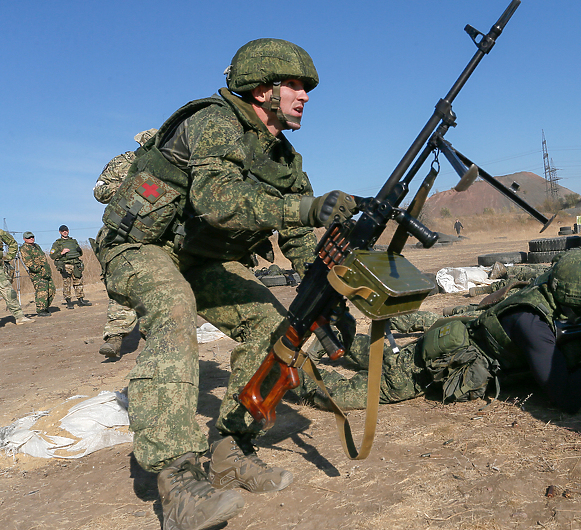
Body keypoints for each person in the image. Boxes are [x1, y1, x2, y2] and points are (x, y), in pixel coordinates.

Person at [94, 38, 358, 530]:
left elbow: (300, 240)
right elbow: (217, 200)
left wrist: (332, 294)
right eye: (296, 87)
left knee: (274, 327)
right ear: (262, 91)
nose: (305, 97)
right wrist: (304, 207)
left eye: (307, 89)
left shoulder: (284, 160)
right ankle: (176, 481)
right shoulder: (213, 120)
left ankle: (230, 450)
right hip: (141, 247)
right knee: (173, 308)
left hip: (199, 259)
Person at [295, 249, 581, 415]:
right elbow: (567, 398)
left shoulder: (553, 296)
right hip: (430, 364)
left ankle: (336, 345)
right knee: (347, 395)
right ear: (579, 296)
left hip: (458, 338)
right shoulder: (532, 322)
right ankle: (293, 372)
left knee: (380, 356)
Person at [93, 129, 157, 358]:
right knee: (124, 280)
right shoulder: (121, 163)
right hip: (122, 227)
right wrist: (127, 187)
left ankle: (156, 333)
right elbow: (99, 192)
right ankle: (115, 336)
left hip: (155, 229)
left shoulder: (165, 166)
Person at [49, 225, 91, 309]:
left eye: (66, 230)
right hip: (66, 265)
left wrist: (80, 251)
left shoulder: (73, 241)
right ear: (60, 232)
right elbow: (52, 255)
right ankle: (69, 302)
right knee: (67, 284)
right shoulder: (57, 243)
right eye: (63, 230)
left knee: (78, 282)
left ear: (68, 231)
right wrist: (61, 253)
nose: (65, 232)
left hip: (76, 264)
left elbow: (80, 254)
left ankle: (80, 300)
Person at [0, 228, 34, 324]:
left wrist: (8, 256)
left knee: (10, 293)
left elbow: (12, 243)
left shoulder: (0, 232)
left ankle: (19, 317)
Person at [19, 232, 55, 316]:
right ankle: (41, 310)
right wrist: (38, 269)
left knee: (51, 290)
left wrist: (46, 269)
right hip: (37, 274)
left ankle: (45, 307)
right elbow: (28, 262)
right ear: (24, 239)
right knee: (41, 291)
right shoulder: (24, 248)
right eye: (28, 238)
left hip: (46, 273)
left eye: (32, 237)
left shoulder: (37, 246)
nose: (31, 238)